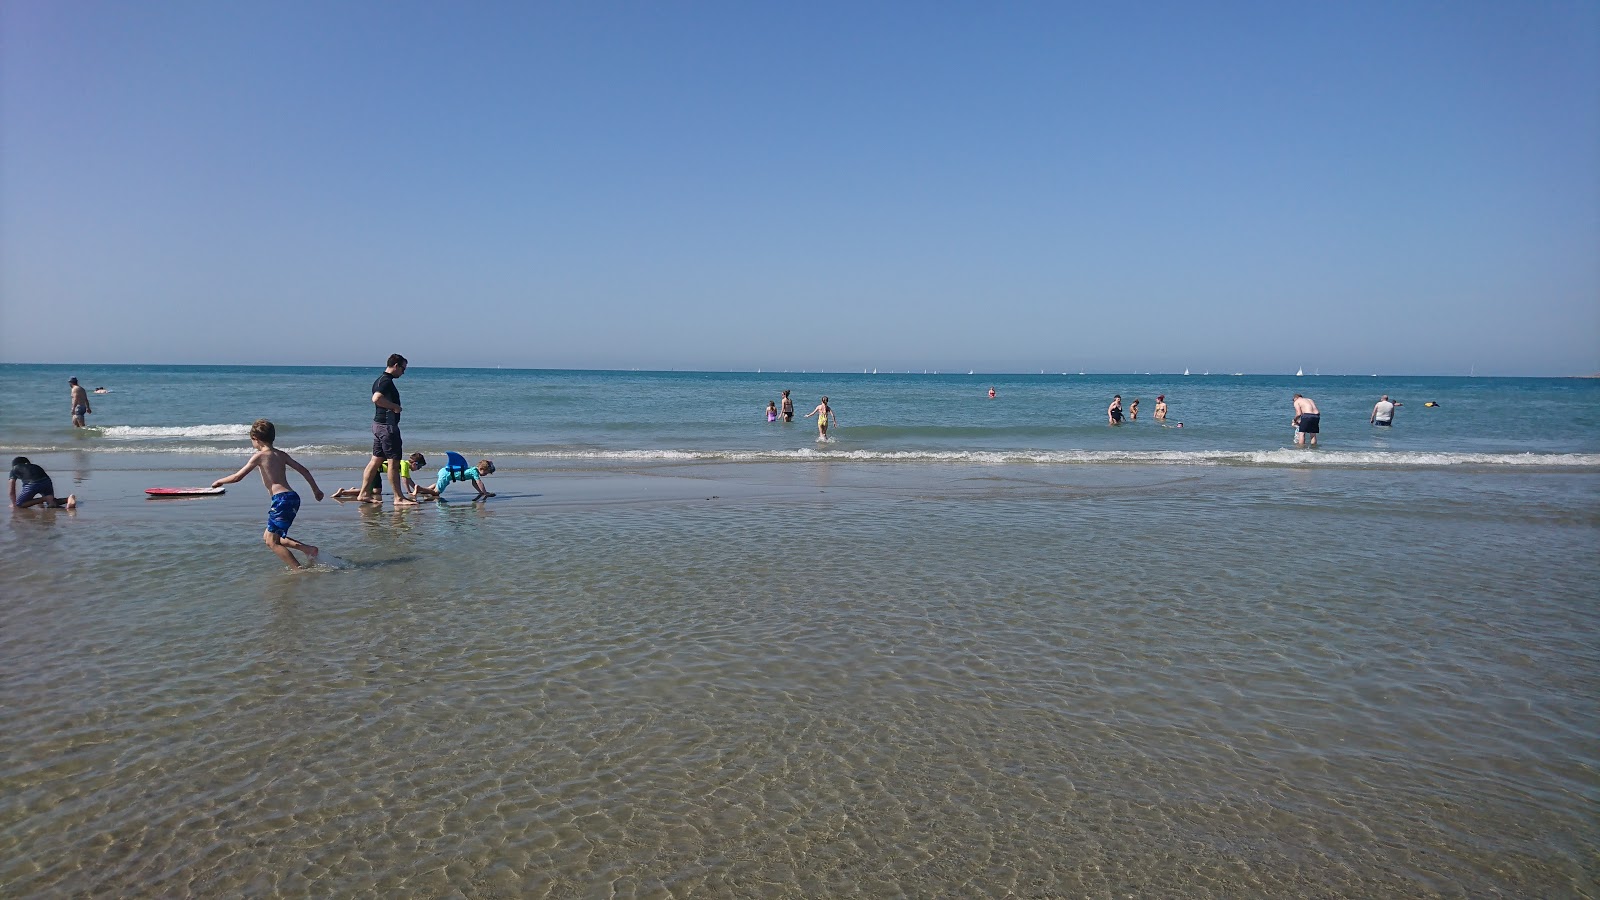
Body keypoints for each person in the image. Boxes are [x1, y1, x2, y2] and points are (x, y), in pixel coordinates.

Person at [211, 419, 324, 569]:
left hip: (281, 500)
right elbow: (304, 470)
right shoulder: (281, 454)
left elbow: (238, 477)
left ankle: (298, 569)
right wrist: (316, 490)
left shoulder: (259, 456)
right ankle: (308, 549)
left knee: (272, 542)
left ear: (255, 439)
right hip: (292, 498)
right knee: (270, 537)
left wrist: (220, 481)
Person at [357, 354, 416, 506]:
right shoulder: (386, 382)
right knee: (393, 463)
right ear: (395, 366)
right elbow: (376, 399)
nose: (403, 372)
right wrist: (394, 406)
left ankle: (363, 494)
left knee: (375, 460)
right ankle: (398, 498)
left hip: (378, 425)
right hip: (387, 427)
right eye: (403, 368)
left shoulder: (380, 380)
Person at [333, 452, 426, 501]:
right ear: (414, 463)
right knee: (372, 492)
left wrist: (415, 489)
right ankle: (344, 492)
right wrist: (409, 492)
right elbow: (405, 479)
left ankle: (353, 490)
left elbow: (409, 480)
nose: (419, 469)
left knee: (376, 491)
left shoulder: (404, 464)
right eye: (419, 466)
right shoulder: (404, 465)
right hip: (375, 471)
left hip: (377, 471)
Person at [9, 457, 75, 509]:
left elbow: (11, 490)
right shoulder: (35, 466)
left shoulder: (15, 469)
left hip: (32, 484)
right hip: (47, 481)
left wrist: (14, 503)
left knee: (19, 504)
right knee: (51, 501)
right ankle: (68, 499)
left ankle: (44, 499)